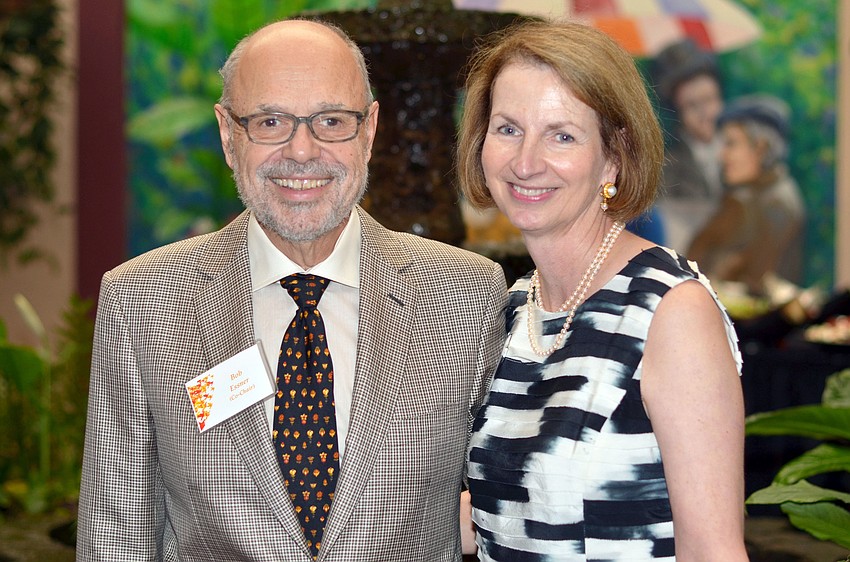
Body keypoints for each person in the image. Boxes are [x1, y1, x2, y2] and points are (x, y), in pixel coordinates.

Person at [76, 19, 507, 562]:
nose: (302, 151)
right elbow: (116, 536)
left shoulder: (464, 295)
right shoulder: (141, 301)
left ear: (370, 130)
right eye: (270, 121)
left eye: (331, 121)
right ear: (228, 134)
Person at [456, 20, 749, 561]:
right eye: (508, 128)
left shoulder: (670, 312)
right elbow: (504, 513)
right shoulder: (516, 308)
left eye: (561, 135)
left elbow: (714, 551)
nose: (525, 162)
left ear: (613, 156)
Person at [688, 94, 806, 294]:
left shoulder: (775, 203)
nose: (722, 155)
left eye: (731, 143)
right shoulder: (746, 198)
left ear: (761, 148)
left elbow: (756, 285)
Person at [651, 39, 726, 255]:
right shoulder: (668, 168)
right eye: (692, 106)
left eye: (710, 99)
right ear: (678, 113)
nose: (706, 114)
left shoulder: (740, 154)